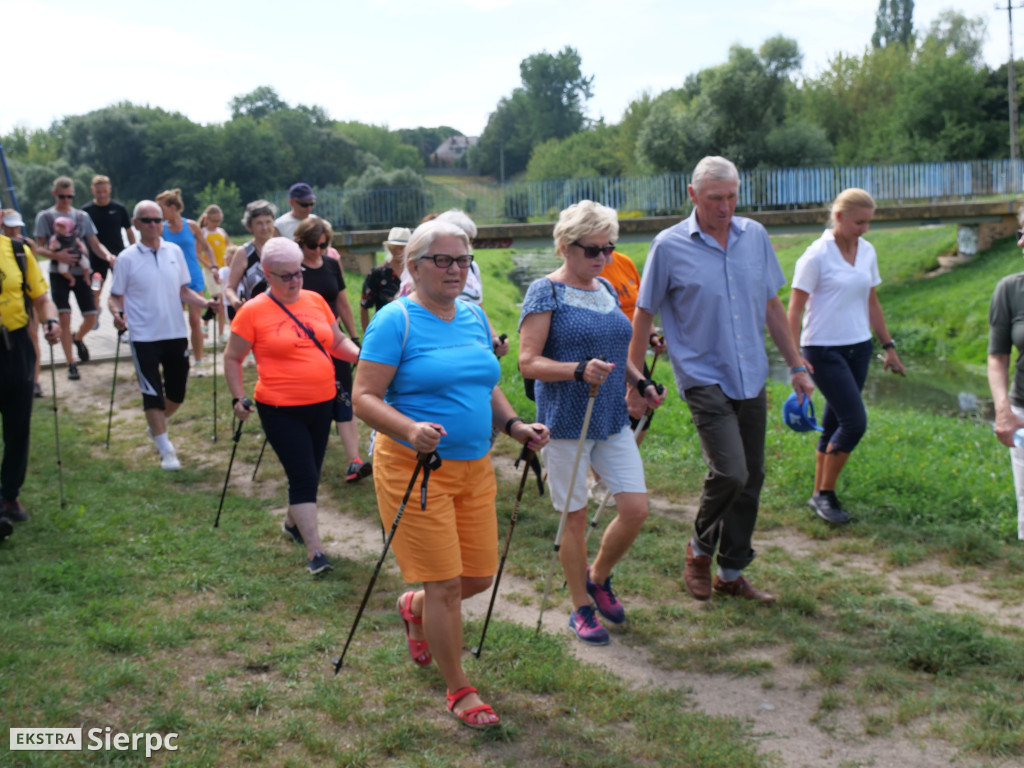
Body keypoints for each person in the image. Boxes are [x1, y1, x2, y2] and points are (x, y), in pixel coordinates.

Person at [353, 219, 548, 729]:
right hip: (415, 470)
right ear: (413, 267)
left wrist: (513, 425)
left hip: (474, 468)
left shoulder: (474, 316)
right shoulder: (396, 321)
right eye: (443, 260)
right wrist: (409, 428)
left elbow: (483, 385)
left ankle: (413, 607)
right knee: (444, 585)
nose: (456, 269)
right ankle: (459, 687)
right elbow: (363, 398)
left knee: (477, 576)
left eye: (463, 260)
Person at [628, 156, 815, 605]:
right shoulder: (668, 246)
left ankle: (731, 572)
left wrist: (796, 365)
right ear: (692, 196)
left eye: (732, 197)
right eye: (715, 199)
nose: (725, 207)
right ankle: (698, 549)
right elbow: (644, 313)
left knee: (752, 477)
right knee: (730, 471)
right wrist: (634, 380)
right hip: (702, 374)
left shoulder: (755, 237)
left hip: (750, 372)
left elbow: (773, 305)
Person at [519, 201, 665, 645]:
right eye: (593, 250)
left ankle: (597, 576)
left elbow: (618, 355)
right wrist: (576, 369)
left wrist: (640, 383)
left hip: (610, 416)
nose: (602, 258)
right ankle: (580, 606)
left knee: (635, 508)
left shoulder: (603, 288)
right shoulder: (546, 292)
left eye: (608, 248)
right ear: (565, 246)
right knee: (575, 519)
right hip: (565, 421)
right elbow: (528, 362)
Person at [224, 237, 361, 574]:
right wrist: (237, 396)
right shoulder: (252, 311)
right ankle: (315, 552)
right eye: (285, 276)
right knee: (302, 475)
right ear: (267, 275)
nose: (295, 280)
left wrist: (367, 359)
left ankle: (291, 523)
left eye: (297, 273)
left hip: (322, 402)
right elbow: (233, 357)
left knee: (309, 472)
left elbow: (337, 341)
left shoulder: (315, 301)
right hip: (280, 407)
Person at [787, 188, 904, 525]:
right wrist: (795, 358)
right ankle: (825, 495)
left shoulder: (867, 251)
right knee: (855, 422)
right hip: (822, 350)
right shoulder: (815, 256)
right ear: (838, 217)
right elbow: (793, 311)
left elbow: (872, 302)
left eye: (868, 223)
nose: (864, 229)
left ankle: (818, 492)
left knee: (836, 422)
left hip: (859, 347)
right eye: (859, 222)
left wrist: (889, 346)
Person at [108, 201, 220, 471]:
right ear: (135, 224)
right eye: (147, 221)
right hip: (143, 336)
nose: (153, 225)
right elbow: (115, 296)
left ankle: (156, 426)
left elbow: (183, 291)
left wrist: (205, 303)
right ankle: (165, 448)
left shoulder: (175, 251)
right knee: (152, 393)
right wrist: (116, 313)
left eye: (157, 220)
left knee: (177, 394)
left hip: (174, 333)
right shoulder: (126, 258)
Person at [293, 217, 371, 482]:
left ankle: (354, 461)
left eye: (323, 244)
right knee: (315, 403)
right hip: (304, 347)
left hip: (334, 342)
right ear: (300, 243)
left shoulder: (331, 264)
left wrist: (353, 336)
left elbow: (343, 303)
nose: (317, 250)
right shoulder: (294, 272)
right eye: (311, 245)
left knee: (344, 398)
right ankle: (308, 455)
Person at [0, 227, 61, 537]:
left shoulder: (18, 251)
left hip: (14, 347)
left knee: (18, 425)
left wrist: (51, 320)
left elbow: (41, 298)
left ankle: (9, 496)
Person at [33, 176, 115, 379]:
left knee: (91, 315)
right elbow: (39, 246)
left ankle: (78, 338)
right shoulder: (46, 217)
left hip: (81, 273)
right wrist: (57, 255)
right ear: (55, 194)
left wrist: (107, 255)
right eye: (62, 196)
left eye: (70, 196)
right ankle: (71, 363)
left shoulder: (81, 216)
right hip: (58, 272)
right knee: (65, 317)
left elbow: (94, 242)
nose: (66, 200)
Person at [986, 208, 1024, 542]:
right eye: (1020, 232)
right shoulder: (1010, 289)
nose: (1021, 242)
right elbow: (997, 357)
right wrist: (1003, 410)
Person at [156, 189, 216, 377]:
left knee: (195, 320)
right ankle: (174, 360)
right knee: (172, 321)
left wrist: (213, 266)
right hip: (170, 280)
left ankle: (198, 361)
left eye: (161, 208)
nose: (159, 212)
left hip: (193, 278)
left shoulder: (190, 226)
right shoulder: (161, 228)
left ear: (172, 207)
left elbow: (207, 247)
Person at [3, 211, 44, 398]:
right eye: (10, 225)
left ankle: (34, 379)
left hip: (27, 299)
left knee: (33, 336)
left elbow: (34, 275)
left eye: (16, 225)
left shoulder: (25, 246)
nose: (14, 229)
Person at [83, 174, 135, 319]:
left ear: (110, 189)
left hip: (118, 256)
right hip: (95, 257)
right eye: (98, 192)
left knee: (122, 291)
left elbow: (129, 231)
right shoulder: (86, 211)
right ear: (92, 191)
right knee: (95, 290)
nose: (102, 195)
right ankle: (96, 311)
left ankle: (121, 320)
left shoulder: (119, 208)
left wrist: (135, 250)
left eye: (104, 191)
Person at [224, 200, 277, 316]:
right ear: (250, 226)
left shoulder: (282, 248)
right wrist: (235, 301)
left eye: (268, 222)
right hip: (255, 314)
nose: (265, 227)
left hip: (282, 313)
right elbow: (229, 287)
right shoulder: (243, 253)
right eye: (259, 223)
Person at [360, 226, 409, 332]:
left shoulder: (416, 272)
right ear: (390, 248)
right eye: (396, 247)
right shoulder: (378, 273)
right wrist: (367, 335)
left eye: (404, 247)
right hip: (386, 329)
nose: (400, 252)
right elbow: (364, 306)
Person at [198, 204, 231, 339]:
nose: (216, 223)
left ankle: (220, 332)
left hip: (222, 270)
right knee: (218, 298)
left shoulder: (222, 232)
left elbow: (229, 247)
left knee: (221, 300)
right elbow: (198, 253)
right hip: (209, 270)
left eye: (219, 221)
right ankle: (206, 323)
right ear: (207, 219)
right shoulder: (202, 233)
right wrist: (211, 266)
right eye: (214, 220)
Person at [49, 216, 91, 286]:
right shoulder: (55, 238)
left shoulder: (73, 236)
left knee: (86, 264)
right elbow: (52, 248)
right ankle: (71, 279)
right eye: (58, 226)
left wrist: (85, 251)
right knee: (62, 270)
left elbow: (80, 244)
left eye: (62, 227)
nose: (59, 229)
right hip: (63, 258)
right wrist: (52, 248)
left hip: (77, 255)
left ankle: (86, 277)